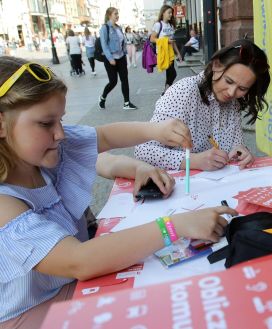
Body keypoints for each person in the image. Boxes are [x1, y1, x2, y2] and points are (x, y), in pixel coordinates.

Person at [0, 56, 236, 328]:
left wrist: (157, 130)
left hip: (71, 286)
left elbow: (106, 137)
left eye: (60, 121)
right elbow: (79, 260)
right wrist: (174, 227)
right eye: (46, 123)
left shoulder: (40, 156)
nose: (60, 133)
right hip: (32, 312)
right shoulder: (5, 204)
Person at [135, 39, 270, 171]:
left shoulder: (233, 102)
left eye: (242, 89)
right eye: (228, 81)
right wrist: (194, 161)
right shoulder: (184, 91)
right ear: (216, 65)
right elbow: (143, 150)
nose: (231, 92)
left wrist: (241, 153)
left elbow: (235, 147)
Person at [98, 7, 138, 111]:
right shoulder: (105, 28)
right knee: (113, 82)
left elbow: (122, 42)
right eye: (115, 14)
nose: (117, 16)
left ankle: (127, 103)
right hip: (111, 59)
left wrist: (124, 53)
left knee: (124, 79)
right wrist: (110, 58)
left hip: (121, 57)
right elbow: (104, 45)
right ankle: (103, 97)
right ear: (109, 15)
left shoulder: (118, 28)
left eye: (117, 13)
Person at [150, 5, 183, 94]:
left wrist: (178, 53)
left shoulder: (170, 25)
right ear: (163, 13)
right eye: (169, 12)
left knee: (170, 74)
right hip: (162, 52)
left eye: (171, 13)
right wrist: (165, 40)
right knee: (173, 73)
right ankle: (166, 92)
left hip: (170, 52)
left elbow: (173, 41)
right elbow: (152, 39)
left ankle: (165, 93)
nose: (171, 15)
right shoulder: (158, 25)